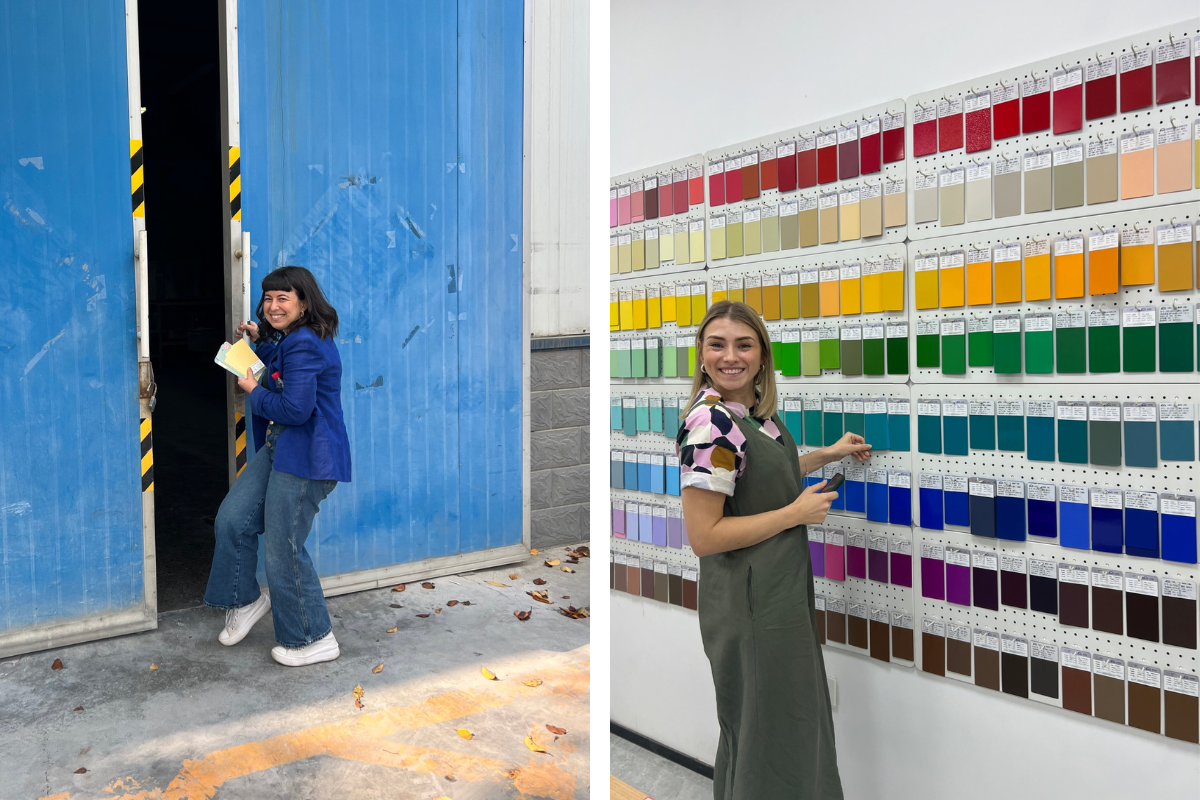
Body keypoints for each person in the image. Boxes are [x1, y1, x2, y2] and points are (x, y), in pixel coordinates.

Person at [677, 300, 870, 799]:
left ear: (763, 356)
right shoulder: (710, 426)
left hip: (778, 595)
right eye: (717, 344)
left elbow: (758, 478)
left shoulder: (752, 417)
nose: (730, 356)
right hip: (749, 606)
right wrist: (794, 515)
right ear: (701, 353)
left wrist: (827, 454)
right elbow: (704, 536)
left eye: (744, 344)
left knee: (785, 726)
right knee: (766, 733)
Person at [203, 265, 352, 667]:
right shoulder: (293, 339)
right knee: (233, 519)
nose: (272, 306)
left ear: (304, 302)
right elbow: (283, 369)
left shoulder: (305, 342)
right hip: (281, 447)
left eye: (283, 298)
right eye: (268, 299)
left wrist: (252, 389)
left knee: (283, 548)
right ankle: (247, 600)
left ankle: (314, 637)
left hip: (307, 457)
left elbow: (296, 408)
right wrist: (259, 340)